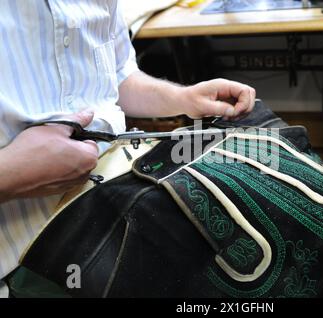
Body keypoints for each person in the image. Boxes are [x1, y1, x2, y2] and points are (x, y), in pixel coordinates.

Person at [0, 0, 255, 286]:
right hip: (15, 258)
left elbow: (116, 74)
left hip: (111, 209)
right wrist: (8, 175)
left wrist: (183, 99)